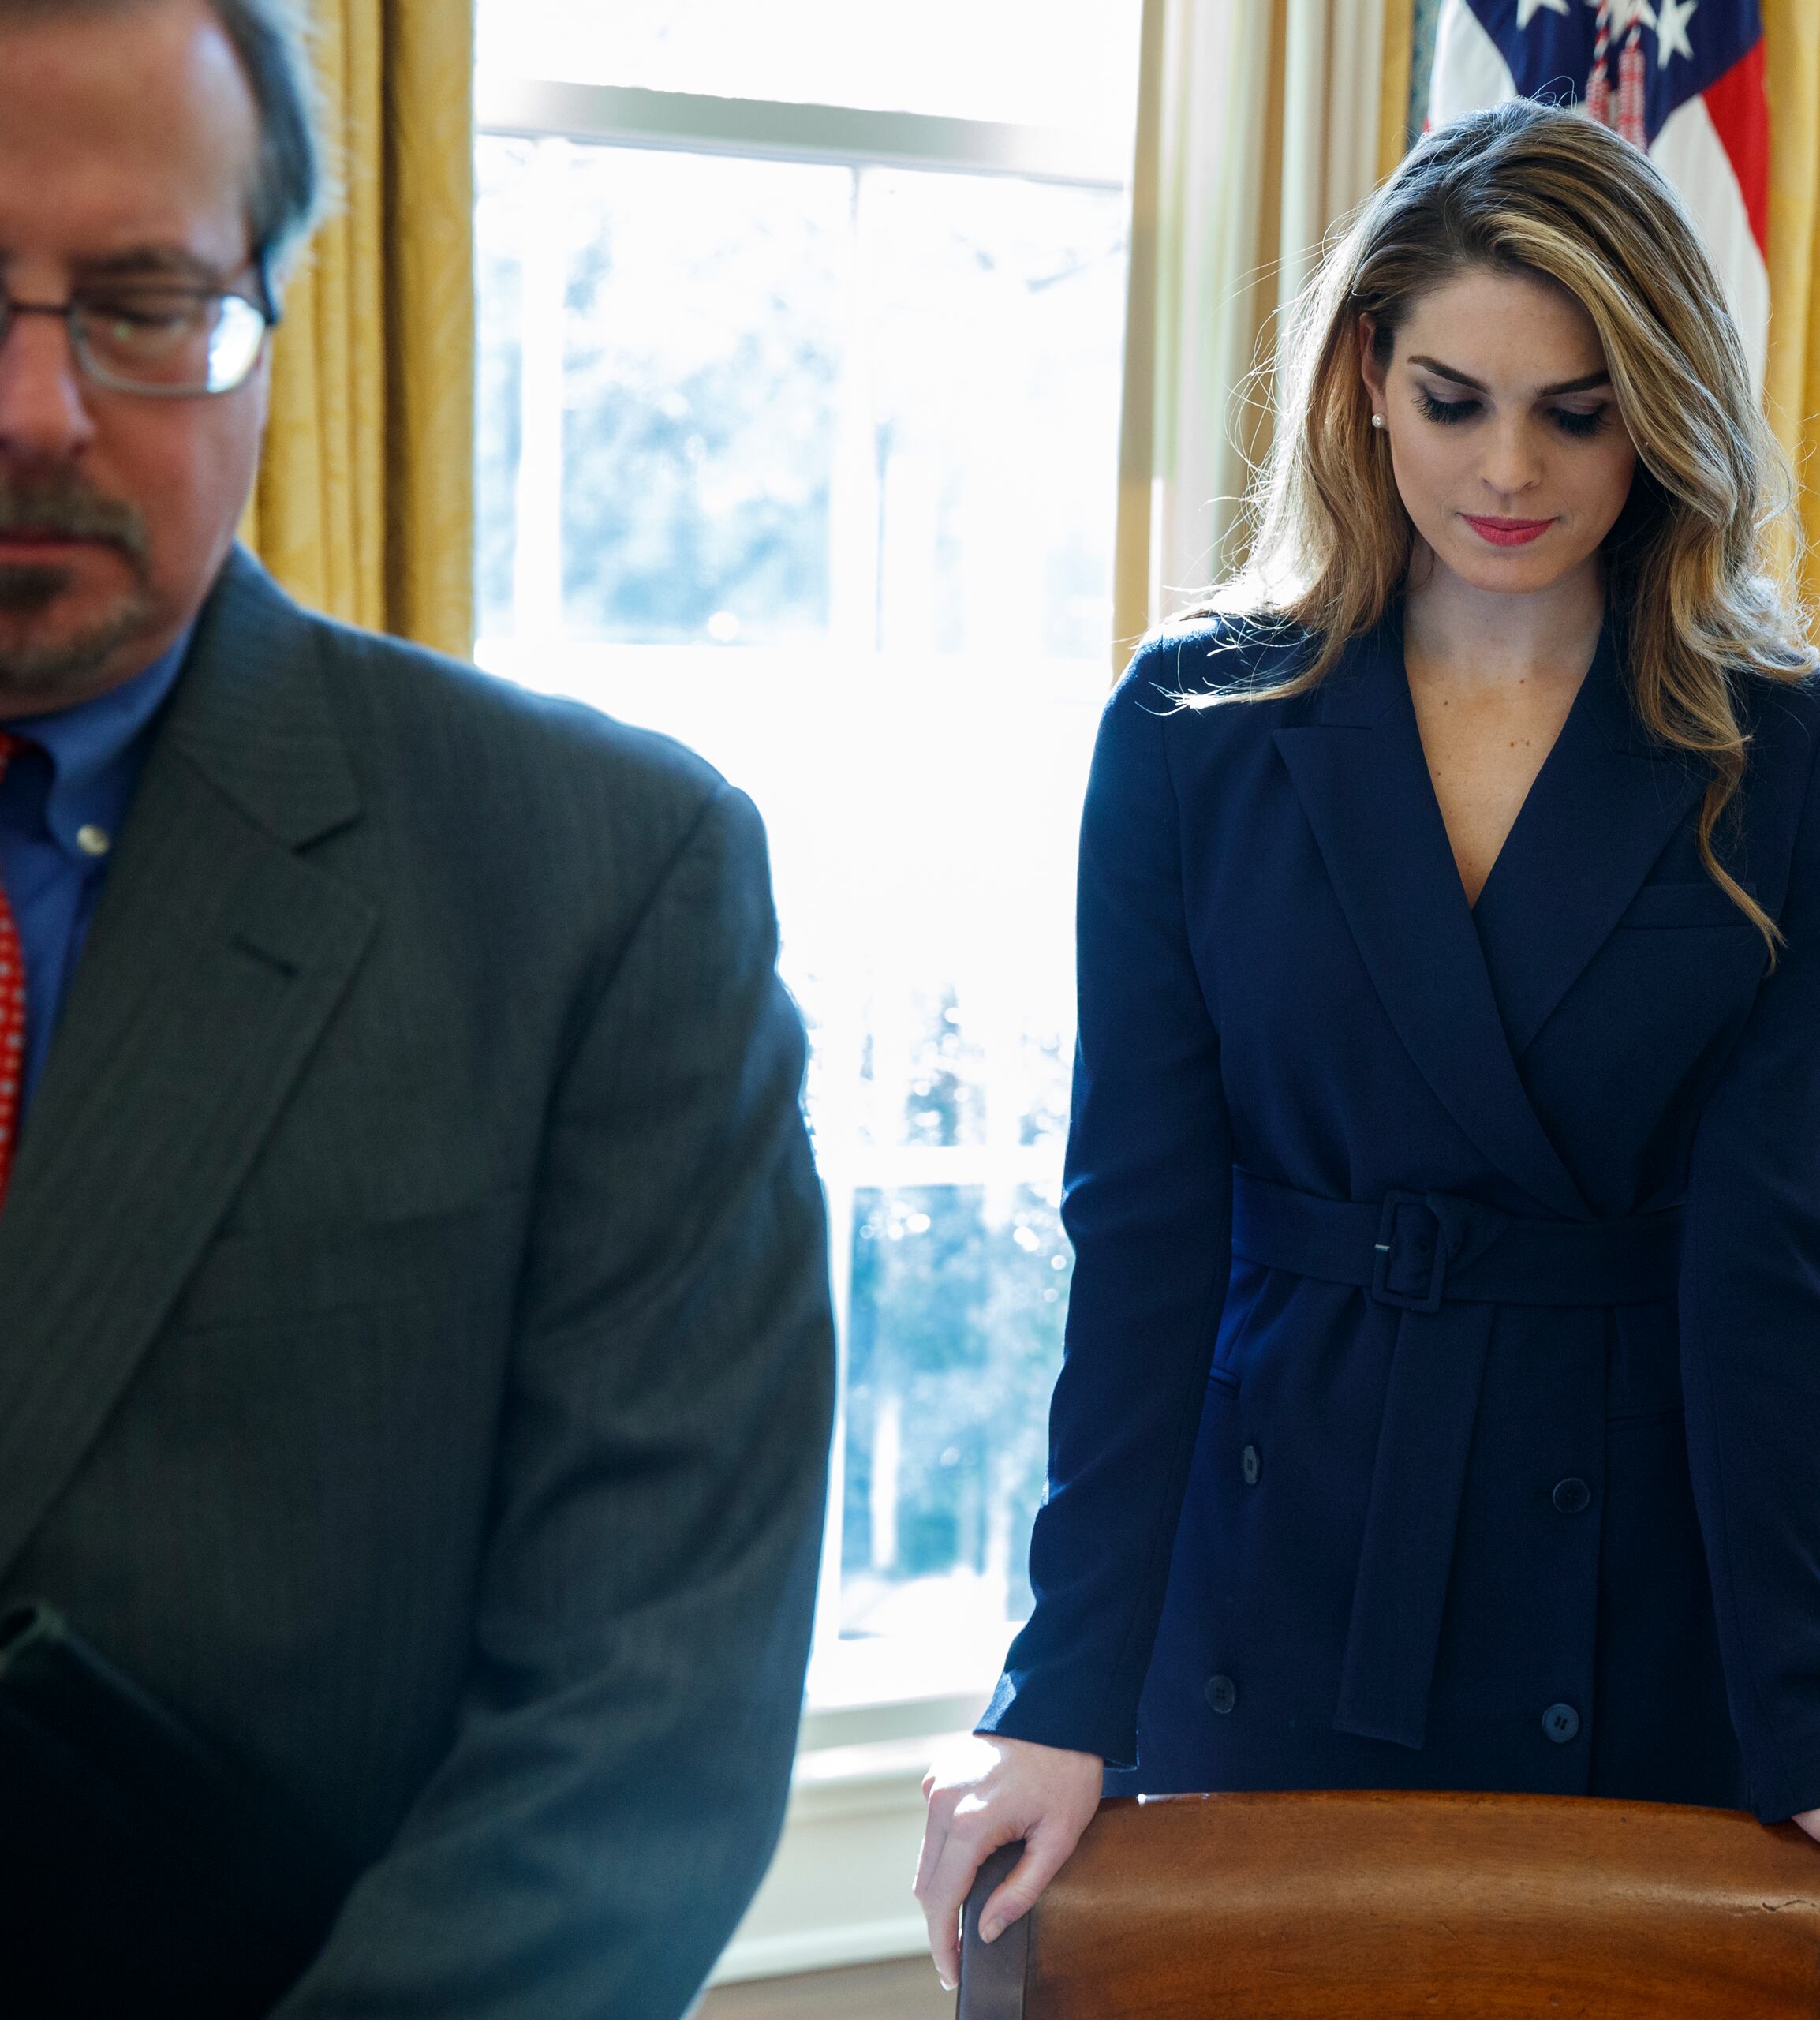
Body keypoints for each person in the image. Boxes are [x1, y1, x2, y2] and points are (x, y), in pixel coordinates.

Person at [915, 100, 1820, 2000]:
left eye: (1578, 408)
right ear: (1364, 382)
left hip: (1629, 1565)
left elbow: (1763, 1267)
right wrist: (1059, 1688)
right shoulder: (1192, 723)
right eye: (1454, 396)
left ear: (1660, 407)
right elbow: (1143, 1234)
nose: (1510, 466)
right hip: (1275, 1532)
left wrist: (1810, 1722)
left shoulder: (1797, 756)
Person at [0, 2, 835, 2012]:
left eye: (142, 303)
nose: (34, 404)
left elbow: (637, 1734)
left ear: (272, 323)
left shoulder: (600, 885)